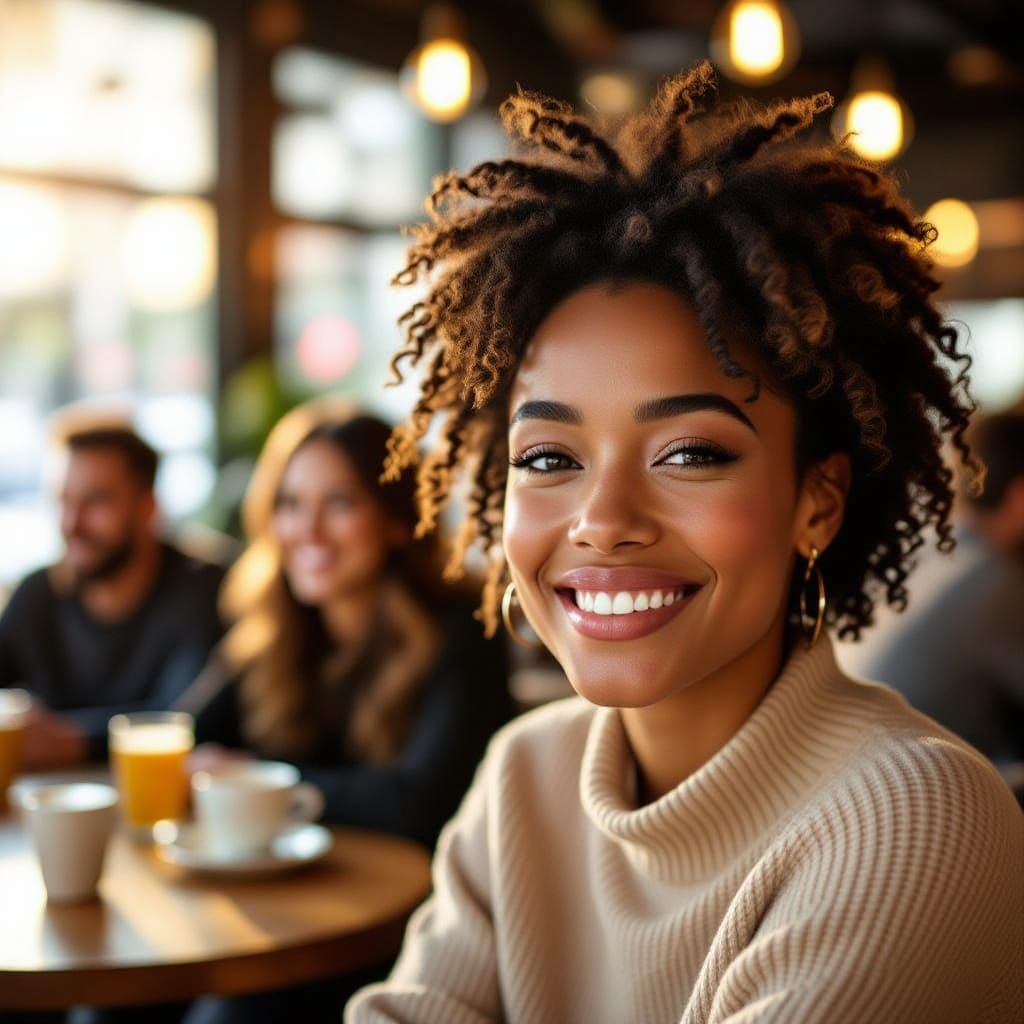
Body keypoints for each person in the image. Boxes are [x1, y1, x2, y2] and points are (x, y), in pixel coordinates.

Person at [346, 65, 1023, 1023]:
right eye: (548, 456)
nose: (603, 517)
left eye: (691, 451)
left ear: (817, 503)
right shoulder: (524, 779)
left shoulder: (913, 817)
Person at [178, 399, 512, 1024]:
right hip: (283, 914)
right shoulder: (272, 625)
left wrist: (261, 783)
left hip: (405, 938)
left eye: (340, 503)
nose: (307, 530)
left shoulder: (463, 634)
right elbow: (185, 734)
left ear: (393, 519)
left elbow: (421, 803)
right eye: (290, 503)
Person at [0, 423, 225, 769]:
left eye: (96, 501)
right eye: (63, 500)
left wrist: (73, 741)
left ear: (147, 505)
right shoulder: (36, 595)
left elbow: (186, 715)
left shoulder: (206, 590)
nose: (72, 524)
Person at [851, 407, 1024, 768]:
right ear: (1020, 496)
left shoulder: (924, 550)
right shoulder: (995, 583)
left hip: (854, 776)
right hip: (909, 792)